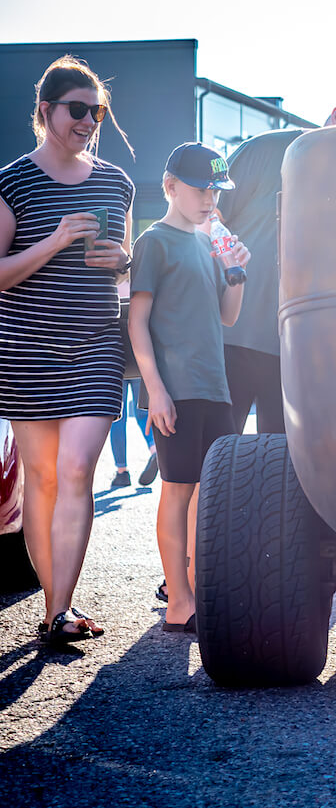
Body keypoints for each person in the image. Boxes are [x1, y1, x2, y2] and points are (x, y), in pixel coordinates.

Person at [0, 56, 134, 643]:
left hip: (95, 344)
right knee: (43, 480)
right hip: (28, 350)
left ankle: (58, 610)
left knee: (79, 469)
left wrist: (121, 261)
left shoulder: (115, 182)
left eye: (95, 110)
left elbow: (122, 264)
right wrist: (55, 240)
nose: (87, 120)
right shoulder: (12, 181)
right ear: (45, 111)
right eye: (76, 109)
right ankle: (56, 609)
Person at [128, 143, 250, 632]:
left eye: (215, 189)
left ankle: (198, 592)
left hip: (214, 386)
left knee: (208, 495)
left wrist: (236, 272)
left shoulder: (207, 243)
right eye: (201, 188)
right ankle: (178, 601)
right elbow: (137, 323)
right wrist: (155, 389)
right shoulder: (155, 241)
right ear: (170, 187)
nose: (209, 198)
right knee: (177, 491)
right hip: (174, 390)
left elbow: (228, 317)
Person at [216, 88, 336, 434]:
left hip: (298, 351)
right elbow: (211, 216)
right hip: (232, 339)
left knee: (284, 466)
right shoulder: (267, 150)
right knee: (212, 459)